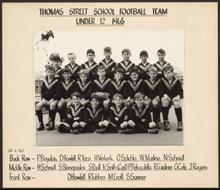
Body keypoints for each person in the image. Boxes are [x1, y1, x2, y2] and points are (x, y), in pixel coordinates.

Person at [35, 65, 60, 131]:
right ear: (46, 72)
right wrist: (43, 99)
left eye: (52, 72)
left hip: (54, 99)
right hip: (45, 99)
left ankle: (51, 123)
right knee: (38, 106)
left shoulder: (57, 81)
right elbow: (42, 92)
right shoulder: (44, 81)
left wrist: (52, 100)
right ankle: (41, 124)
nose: (50, 73)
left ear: (54, 73)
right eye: (48, 72)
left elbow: (58, 93)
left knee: (52, 105)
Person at [160, 65, 183, 131]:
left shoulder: (177, 81)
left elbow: (180, 91)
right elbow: (160, 91)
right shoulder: (162, 81)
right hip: (166, 96)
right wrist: (164, 95)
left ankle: (179, 122)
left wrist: (178, 96)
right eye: (165, 73)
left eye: (169, 72)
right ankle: (166, 121)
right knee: (165, 102)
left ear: (172, 73)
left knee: (177, 103)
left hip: (174, 96)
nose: (167, 74)